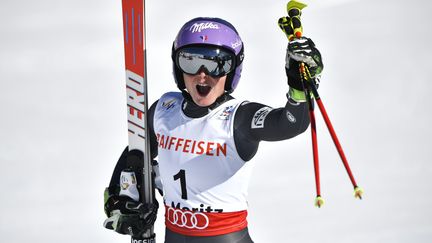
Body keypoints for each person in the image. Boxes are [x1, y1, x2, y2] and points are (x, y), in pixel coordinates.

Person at [103, 14, 323, 243]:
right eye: (189, 61)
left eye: (217, 64)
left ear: (233, 69)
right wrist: (118, 197)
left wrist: (299, 89)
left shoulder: (240, 118)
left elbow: (290, 124)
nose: (202, 75)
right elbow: (136, 154)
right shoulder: (163, 110)